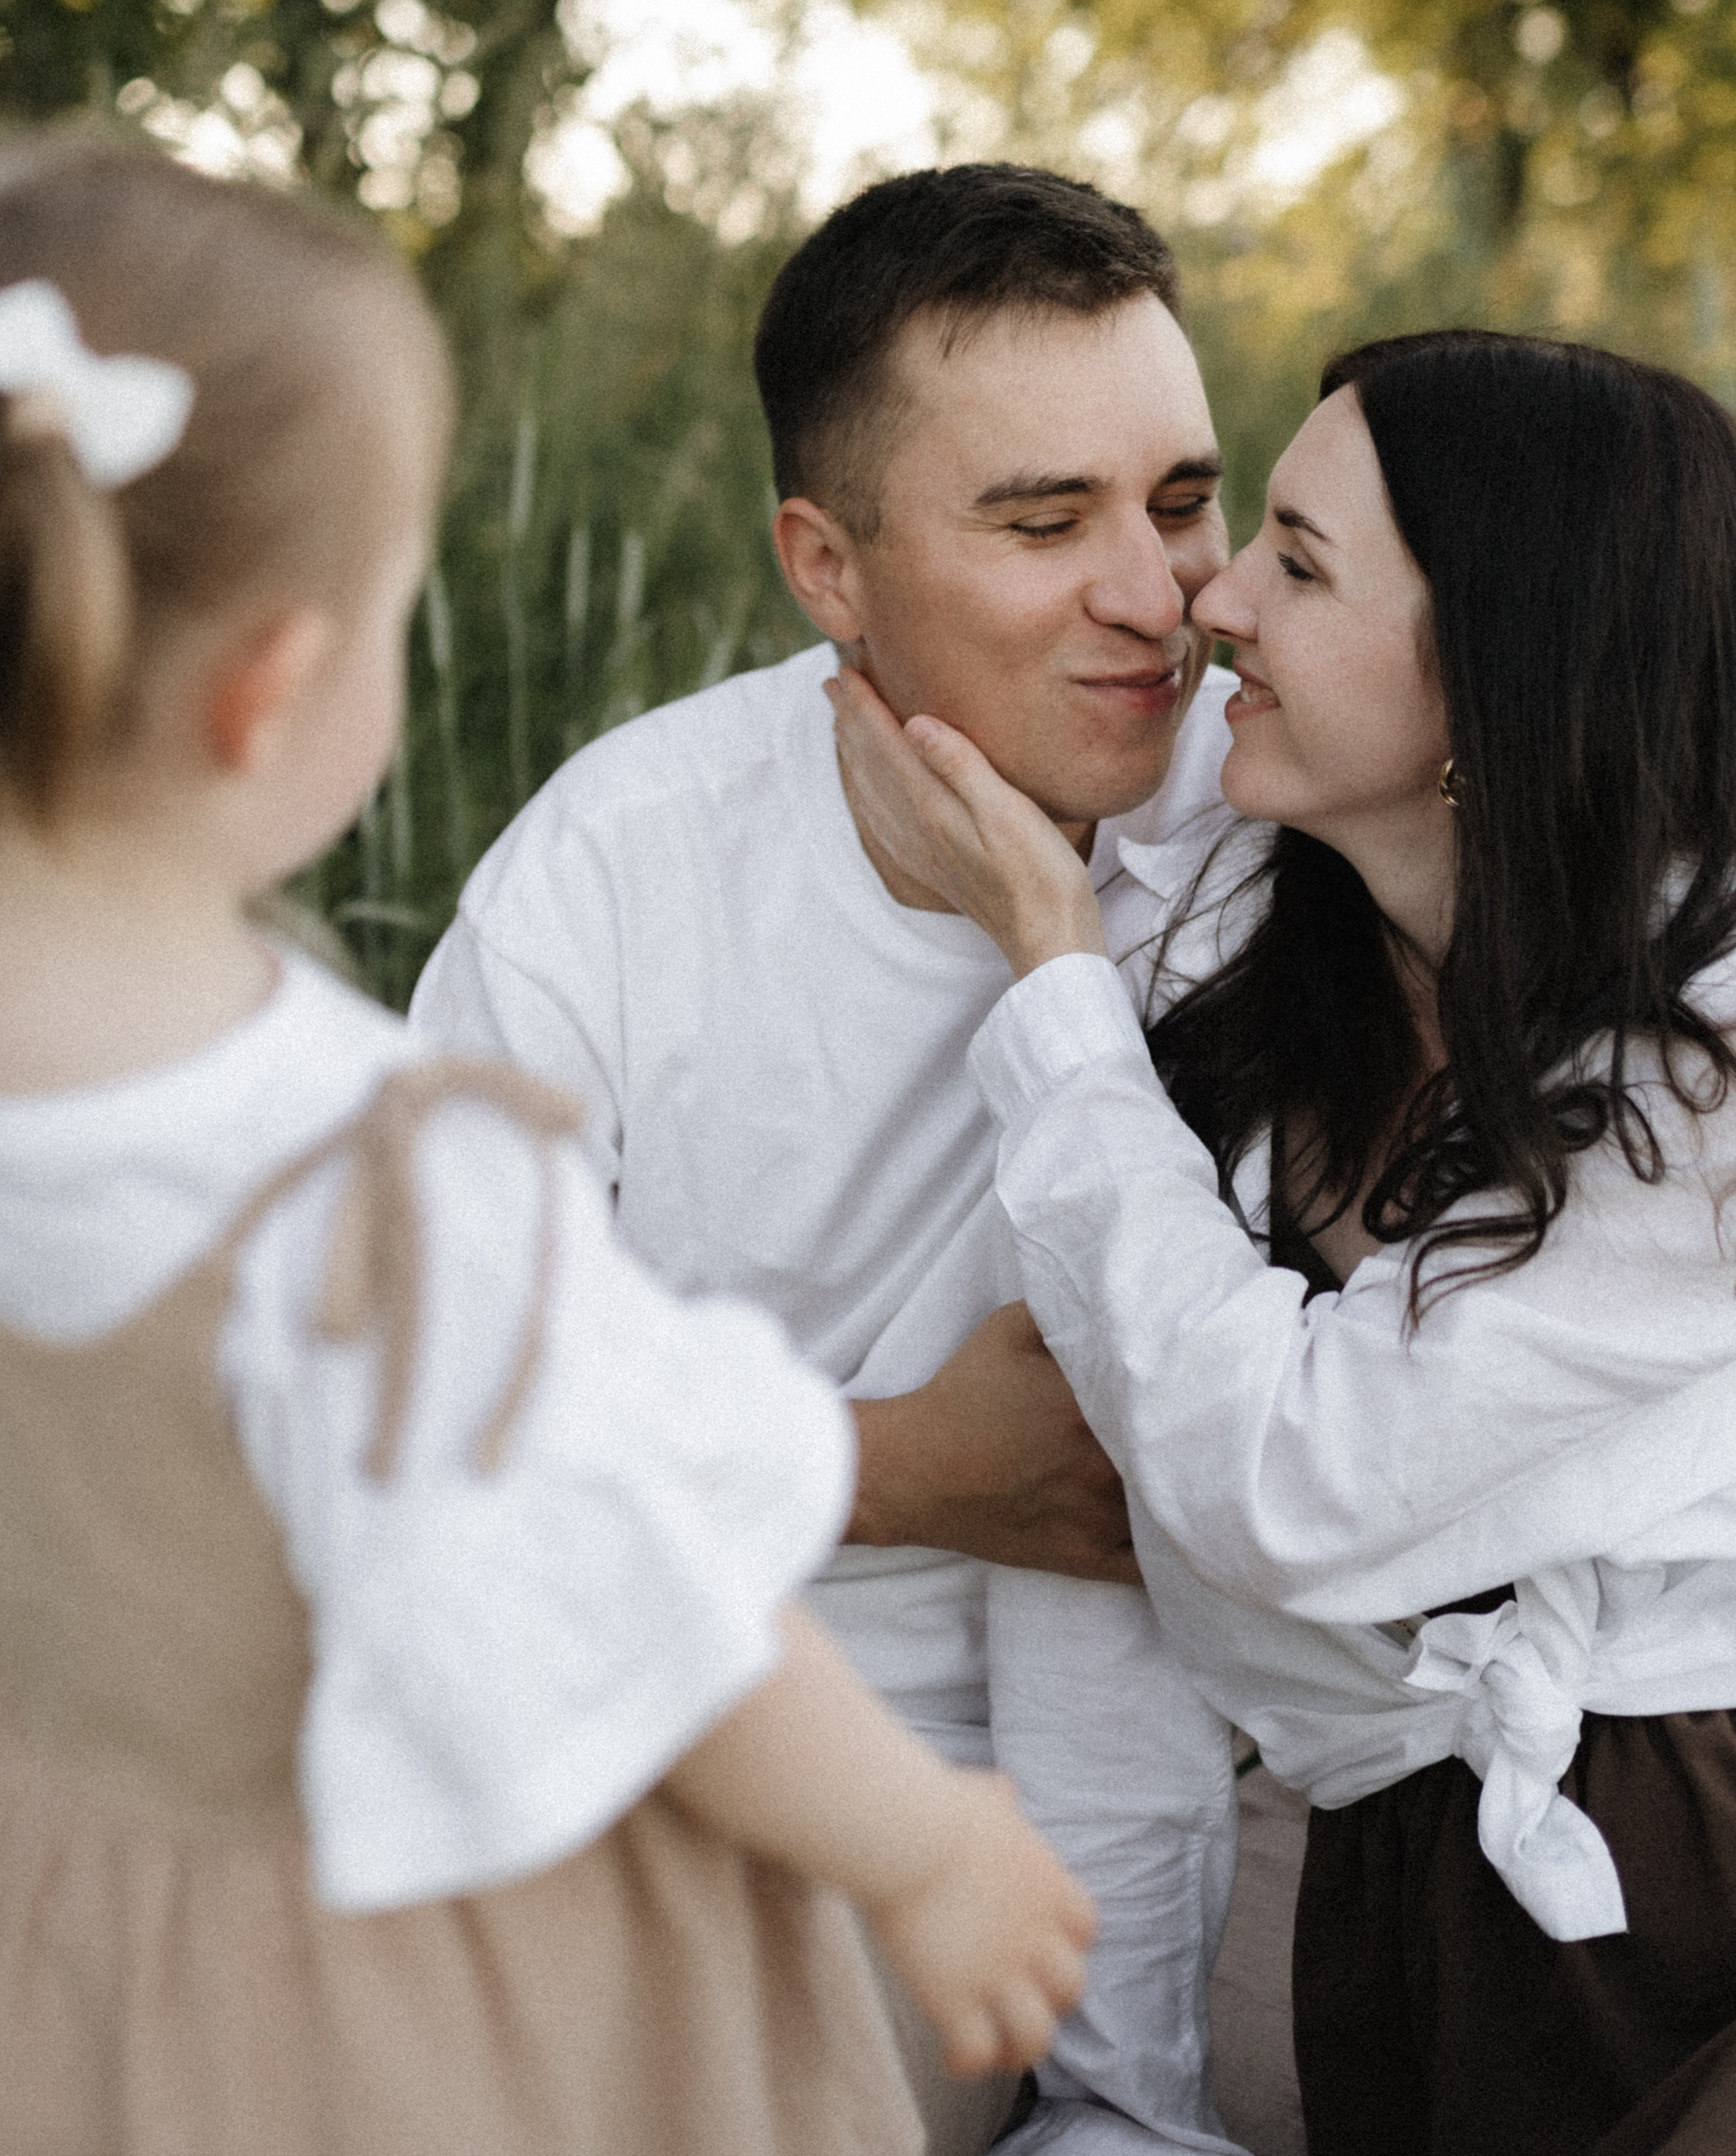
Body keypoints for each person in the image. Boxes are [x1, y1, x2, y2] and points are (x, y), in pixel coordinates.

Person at [0, 134, 1099, 2156]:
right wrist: (926, 1846)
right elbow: (643, 1583)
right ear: (280, 691)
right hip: (333, 1981)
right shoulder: (368, 1176)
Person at [413, 163, 1250, 2156]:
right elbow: (414, 1430)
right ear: (829, 564)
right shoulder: (617, 874)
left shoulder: (1282, 831)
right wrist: (894, 1467)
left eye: (1189, 502)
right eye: (1045, 523)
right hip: (655, 1731)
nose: (1158, 597)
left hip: (1017, 1820)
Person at [827, 325, 1736, 2156]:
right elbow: (1115, 1535)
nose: (1209, 597)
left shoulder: (1705, 1073)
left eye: (1297, 564)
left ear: (1496, 673)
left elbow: (1283, 1481)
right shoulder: (1234, 963)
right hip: (1368, 1891)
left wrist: (1047, 964)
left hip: (1680, 1871)